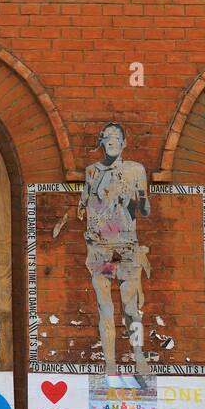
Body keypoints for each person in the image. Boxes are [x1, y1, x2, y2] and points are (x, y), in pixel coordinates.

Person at [78, 122, 151, 378]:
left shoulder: (135, 170)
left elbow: (145, 210)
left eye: (116, 136)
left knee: (131, 309)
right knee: (105, 308)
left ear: (124, 143)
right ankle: (110, 363)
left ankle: (138, 356)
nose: (111, 140)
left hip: (126, 249)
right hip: (100, 251)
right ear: (101, 141)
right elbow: (84, 208)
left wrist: (138, 199)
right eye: (107, 137)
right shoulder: (91, 172)